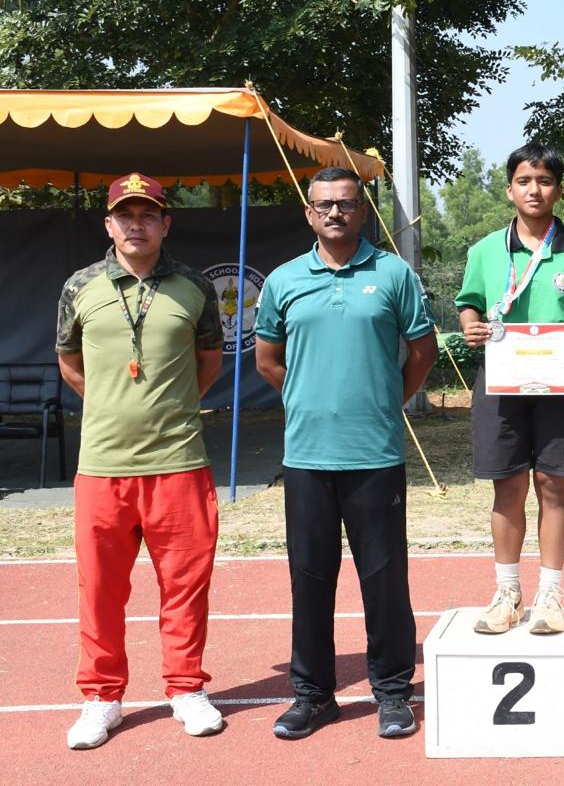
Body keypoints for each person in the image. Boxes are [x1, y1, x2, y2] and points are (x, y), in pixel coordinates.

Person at [254, 166, 438, 740]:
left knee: (384, 580)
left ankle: (392, 692)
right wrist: (307, 400)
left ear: (362, 211)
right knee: (310, 580)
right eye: (324, 204)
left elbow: (423, 352)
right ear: (309, 213)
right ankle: (313, 696)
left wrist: (385, 400)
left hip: (375, 453)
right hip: (307, 456)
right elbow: (268, 360)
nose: (335, 212)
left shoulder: (393, 274)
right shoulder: (283, 280)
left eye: (346, 203)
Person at [56, 172, 225, 749]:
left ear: (165, 223)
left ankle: (186, 688)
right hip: (102, 467)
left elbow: (209, 362)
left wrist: (168, 409)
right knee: (100, 590)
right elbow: (69, 361)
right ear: (109, 225)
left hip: (179, 460)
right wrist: (111, 406)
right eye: (125, 215)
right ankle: (101, 698)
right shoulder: (80, 286)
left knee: (185, 586)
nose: (136, 225)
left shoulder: (194, 286)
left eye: (147, 214)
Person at [456, 143, 564, 635]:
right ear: (509, 190)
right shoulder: (485, 250)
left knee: (552, 484)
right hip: (502, 382)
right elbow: (468, 304)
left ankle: (550, 592)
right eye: (524, 181)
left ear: (558, 190)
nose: (534, 190)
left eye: (544, 181)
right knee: (507, 486)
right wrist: (470, 325)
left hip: (562, 381)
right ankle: (507, 592)